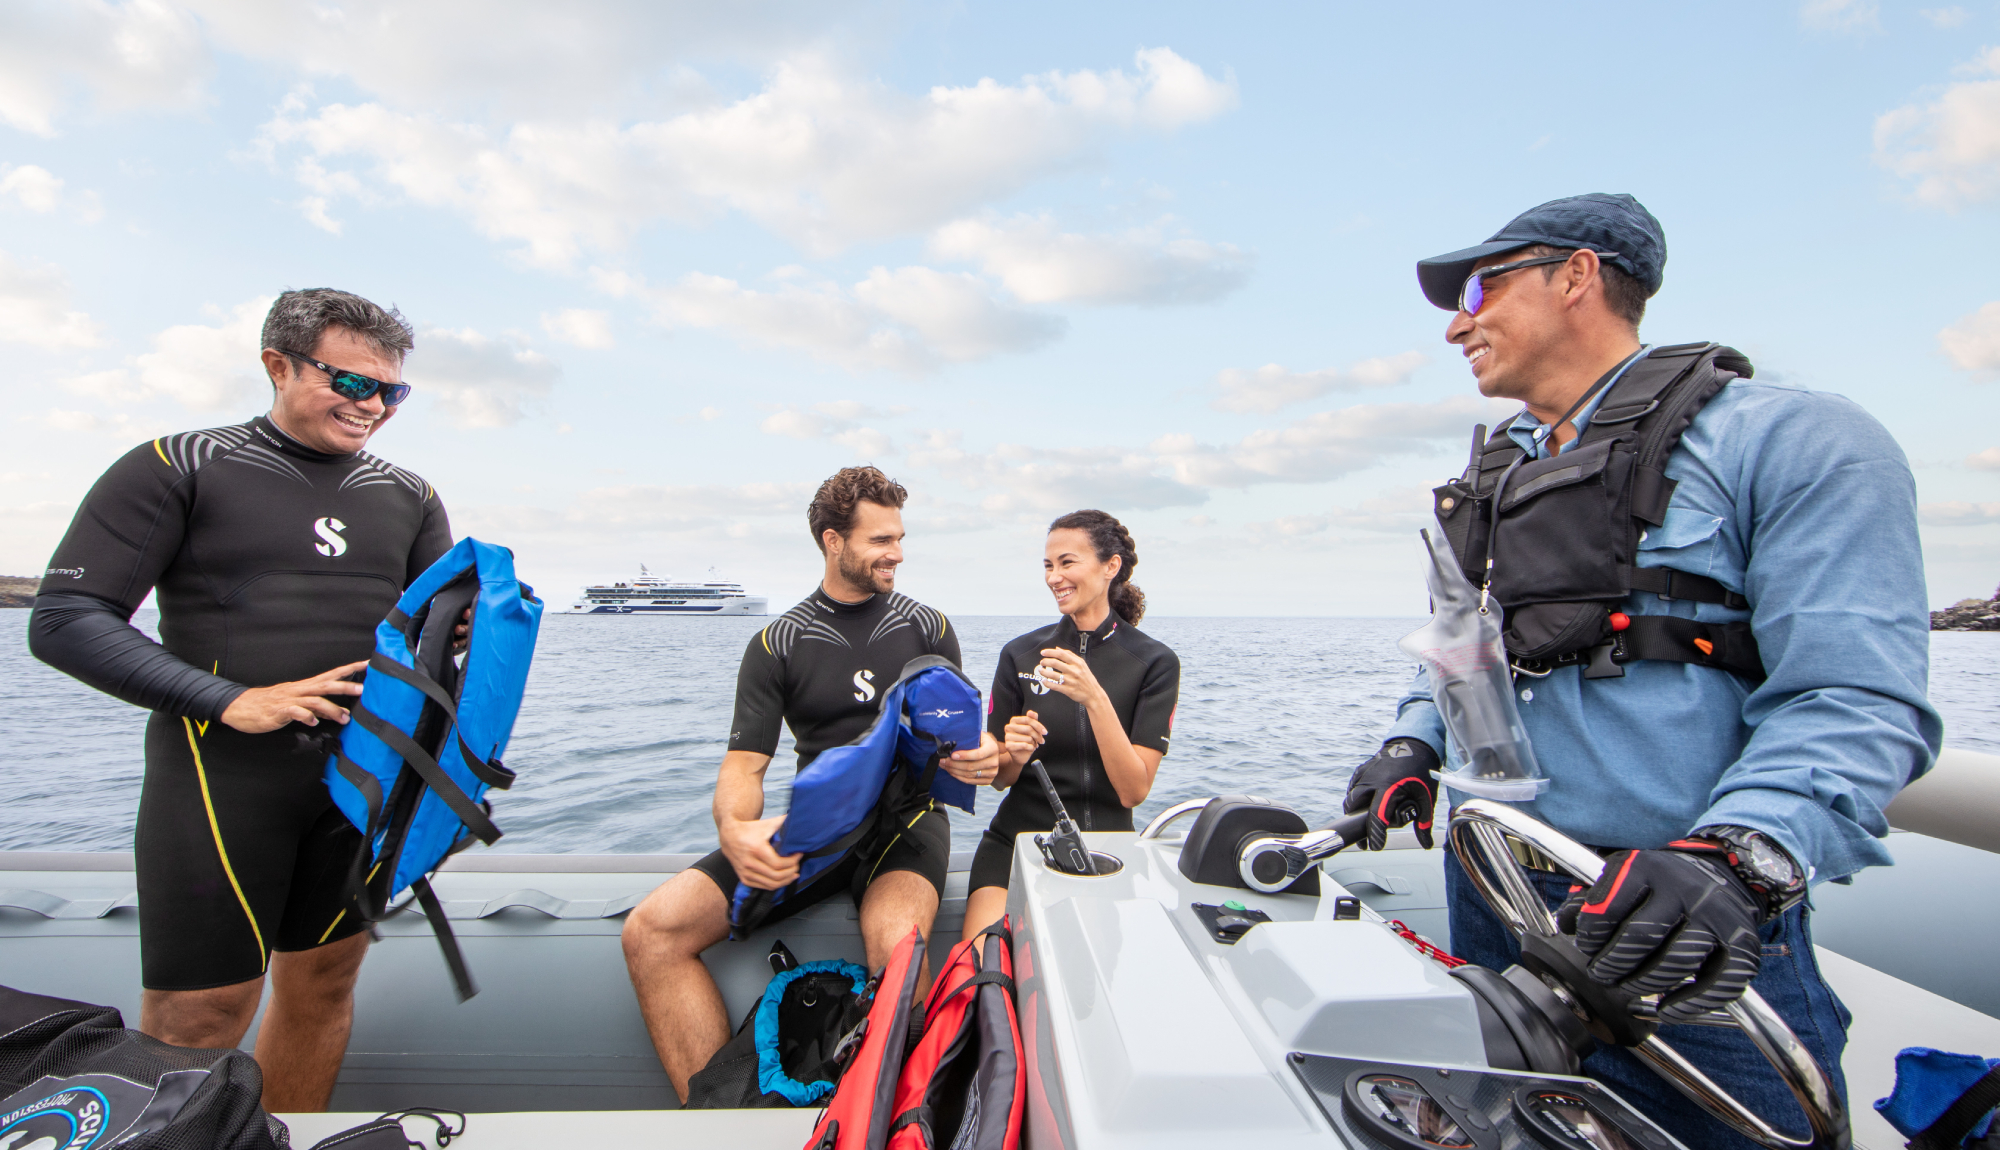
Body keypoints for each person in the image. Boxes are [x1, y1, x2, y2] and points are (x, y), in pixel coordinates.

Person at [1343, 193, 1939, 1149]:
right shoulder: (1494, 475)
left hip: (1677, 933)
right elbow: (1464, 646)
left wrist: (1740, 861)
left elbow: (1857, 697)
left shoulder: (1797, 440)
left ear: (1577, 275)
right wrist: (1411, 741)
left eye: (1482, 286)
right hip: (1489, 893)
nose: (1457, 322)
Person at [28, 289, 452, 1111]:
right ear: (278, 365)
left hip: (356, 783)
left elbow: (438, 640)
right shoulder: (181, 464)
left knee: (324, 984)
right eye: (350, 383)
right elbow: (66, 620)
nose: (372, 407)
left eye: (390, 392)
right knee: (201, 1016)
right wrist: (229, 700)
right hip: (221, 779)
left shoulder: (409, 494)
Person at [620, 466, 1002, 1101]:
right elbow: (744, 766)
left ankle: (889, 1126)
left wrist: (980, 756)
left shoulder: (927, 627)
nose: (897, 553)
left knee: (899, 949)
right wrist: (736, 829)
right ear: (833, 541)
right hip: (820, 827)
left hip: (905, 822)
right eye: (881, 540)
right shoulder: (778, 643)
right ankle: (724, 1121)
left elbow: (963, 735)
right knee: (652, 931)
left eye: (900, 538)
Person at [963, 510, 1180, 940]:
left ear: (1110, 566)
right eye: (1048, 565)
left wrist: (1094, 697)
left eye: (1067, 562)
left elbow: (1133, 790)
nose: (1054, 577)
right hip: (1015, 842)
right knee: (976, 969)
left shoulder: (1154, 663)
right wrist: (1014, 753)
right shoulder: (1021, 655)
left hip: (1107, 852)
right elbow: (1001, 779)